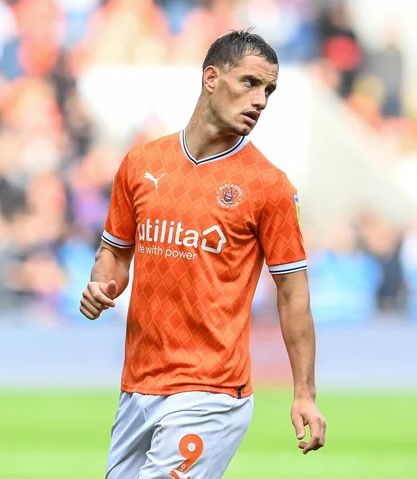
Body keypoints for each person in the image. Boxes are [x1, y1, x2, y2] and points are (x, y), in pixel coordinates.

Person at [80, 29, 326, 479]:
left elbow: (293, 293)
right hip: (139, 384)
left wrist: (304, 392)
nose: (261, 100)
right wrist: (102, 287)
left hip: (211, 391)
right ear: (211, 77)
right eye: (250, 82)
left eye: (268, 90)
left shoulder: (268, 186)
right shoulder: (141, 164)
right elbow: (113, 255)